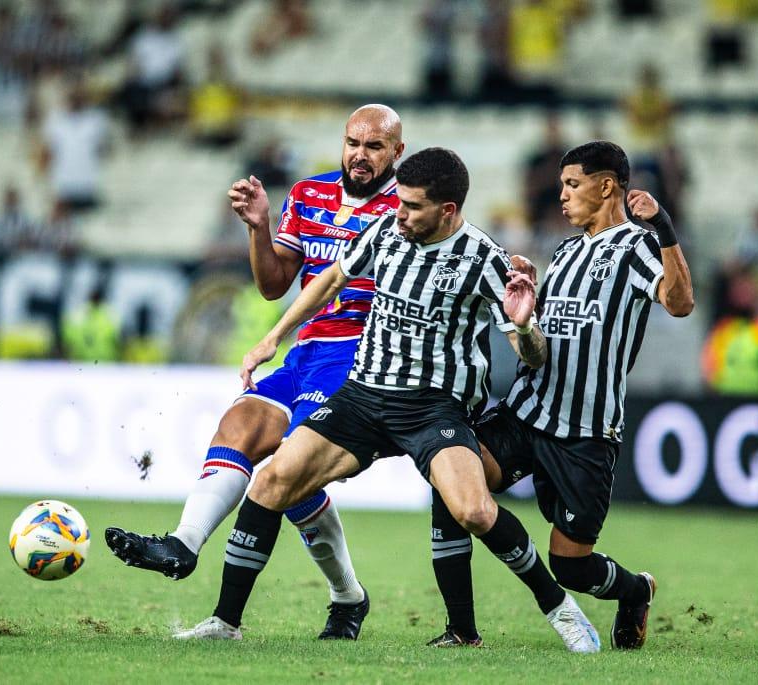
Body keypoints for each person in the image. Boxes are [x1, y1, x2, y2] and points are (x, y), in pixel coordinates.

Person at [162, 147, 602, 653]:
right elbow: (330, 280)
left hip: (433, 407)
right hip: (364, 396)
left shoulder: (486, 260)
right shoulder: (385, 230)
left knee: (476, 512)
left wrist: (524, 324)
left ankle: (560, 609)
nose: (399, 213)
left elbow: (535, 356)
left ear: (448, 212)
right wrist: (274, 336)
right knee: (273, 479)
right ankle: (225, 620)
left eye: (413, 207)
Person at [105, 105, 407, 640]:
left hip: (359, 359)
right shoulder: (309, 195)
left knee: (288, 469)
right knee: (239, 427)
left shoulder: (407, 209)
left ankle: (330, 600)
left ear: (396, 153)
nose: (360, 155)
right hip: (305, 354)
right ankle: (184, 544)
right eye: (353, 143)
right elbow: (272, 285)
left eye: (375, 147)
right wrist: (260, 227)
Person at [432, 141, 694, 650]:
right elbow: (538, 345)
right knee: (452, 475)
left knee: (571, 566)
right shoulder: (567, 250)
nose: (562, 196)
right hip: (528, 412)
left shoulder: (638, 245)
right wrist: (524, 309)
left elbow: (680, 304)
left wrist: (663, 227)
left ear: (606, 186)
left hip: (586, 431)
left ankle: (635, 589)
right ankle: (461, 628)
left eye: (571, 185)